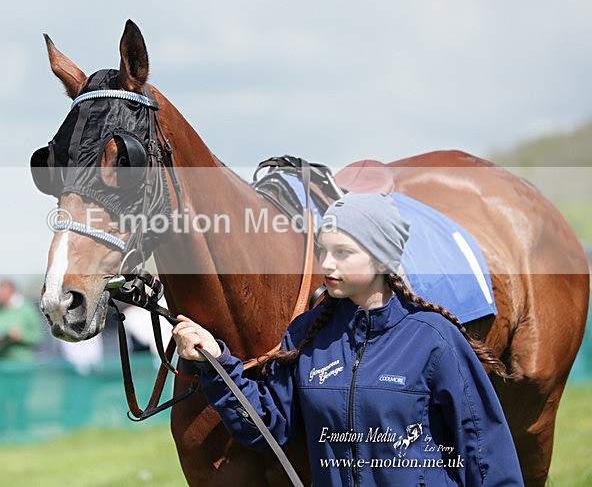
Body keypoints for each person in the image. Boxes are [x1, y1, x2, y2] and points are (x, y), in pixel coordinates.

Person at [172, 193, 523, 486]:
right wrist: (216, 362)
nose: (326, 263)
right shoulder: (306, 334)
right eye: (323, 251)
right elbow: (267, 427)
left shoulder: (434, 338)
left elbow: (485, 450)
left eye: (342, 252)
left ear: (381, 258)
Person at [0, 278, 43, 437]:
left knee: (20, 403)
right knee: (0, 404)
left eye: (1, 291)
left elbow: (37, 336)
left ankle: (22, 434)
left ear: (11, 291)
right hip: (0, 367)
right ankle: (1, 436)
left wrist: (21, 336)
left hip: (21, 366)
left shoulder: (26, 310)